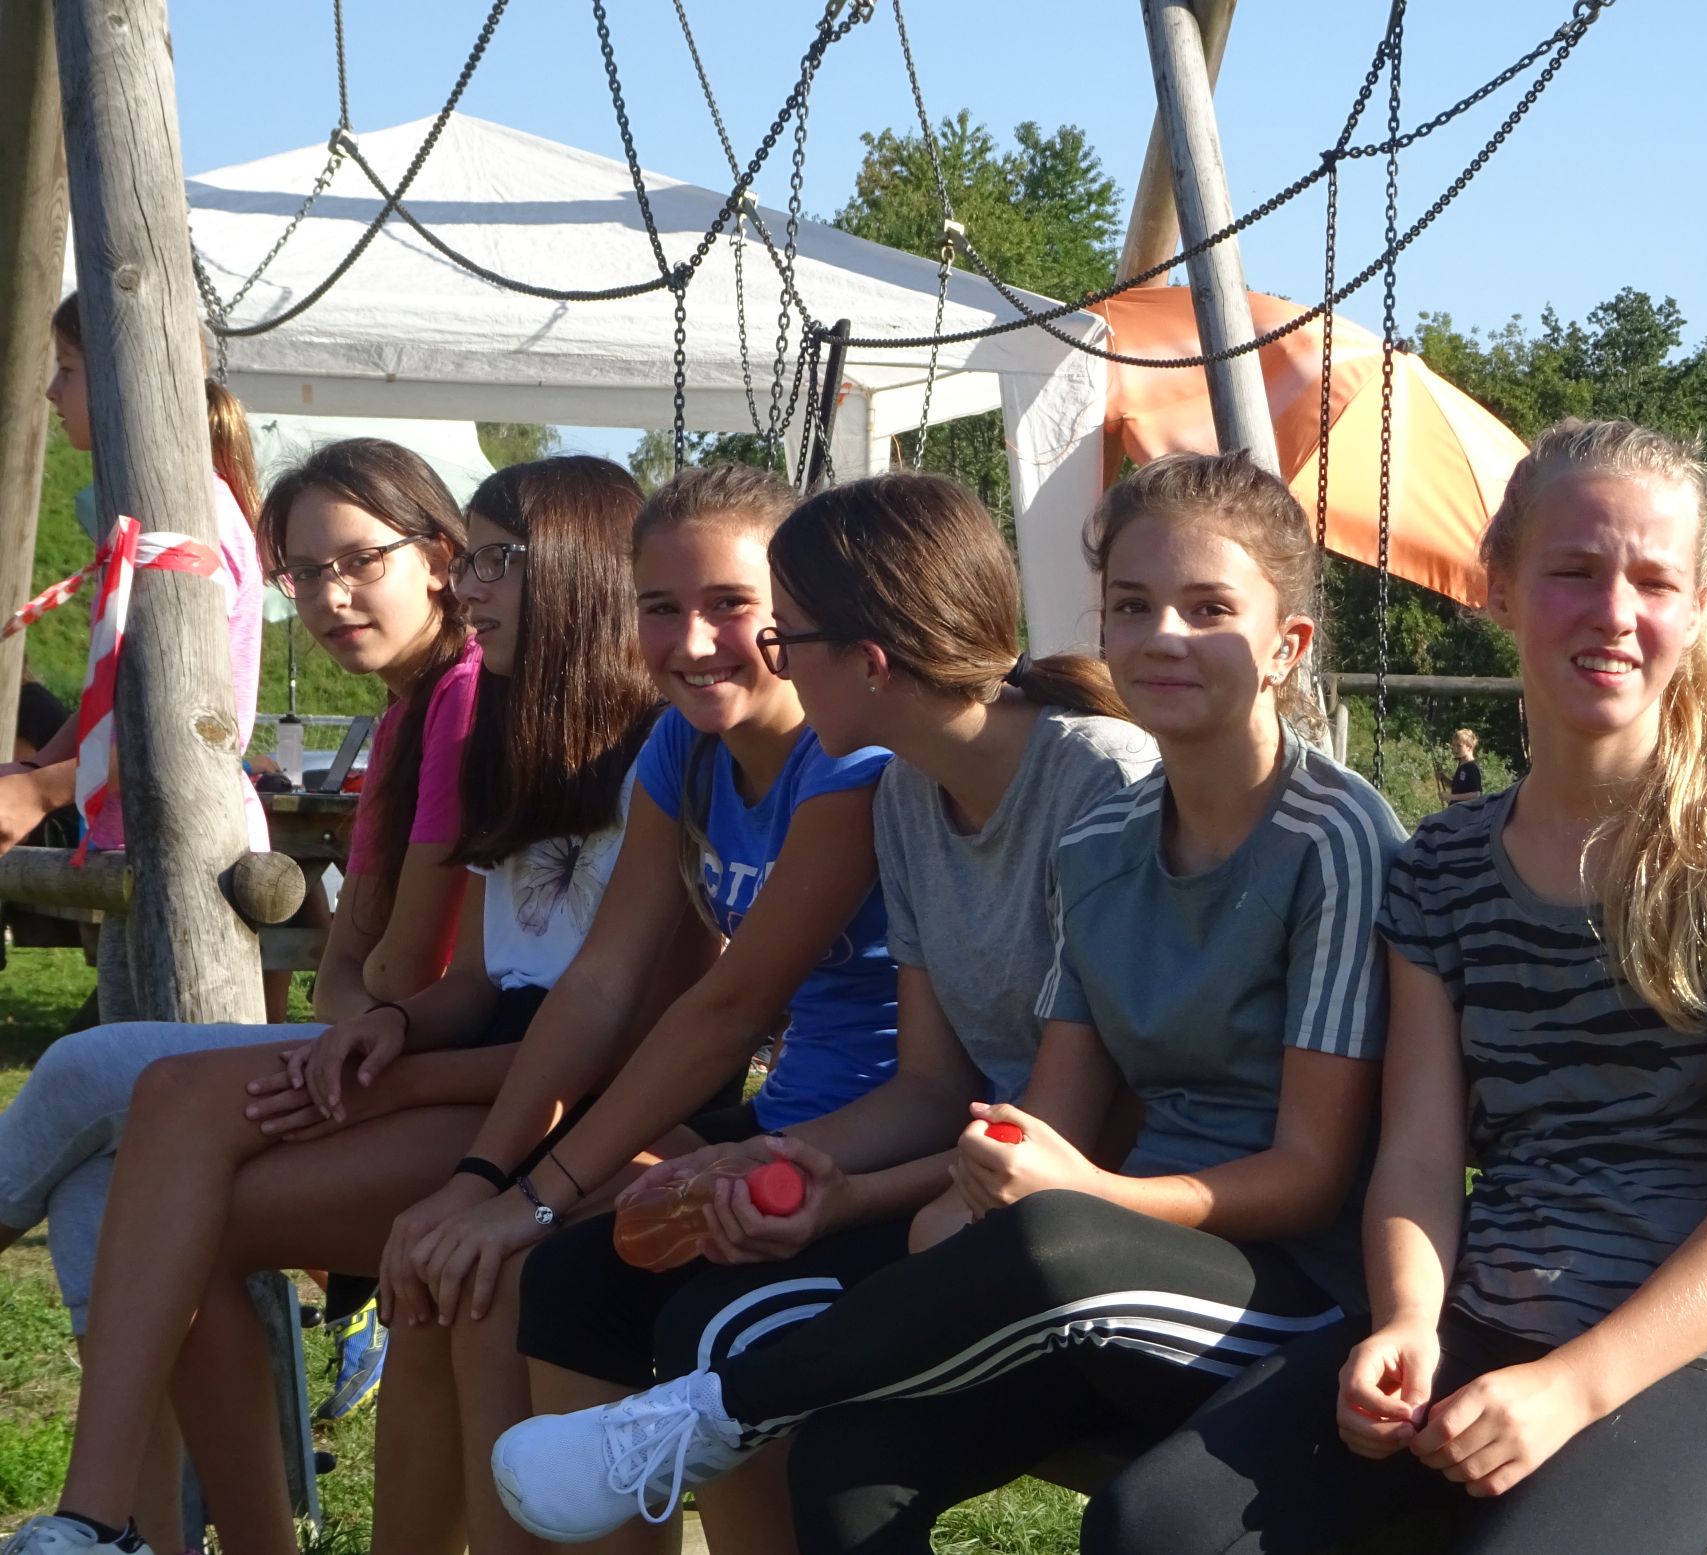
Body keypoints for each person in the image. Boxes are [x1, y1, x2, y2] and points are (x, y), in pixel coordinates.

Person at [490, 450, 1408, 1554]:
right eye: (1130, 605)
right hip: (1100, 1233)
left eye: (1206, 607)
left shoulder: (1325, 835)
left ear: (1285, 645)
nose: (1162, 634)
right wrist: (846, 1187)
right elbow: (1034, 1108)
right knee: (845, 1464)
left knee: (1033, 1253)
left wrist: (1068, 1192)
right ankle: (702, 1418)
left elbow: (1306, 1175)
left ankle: (707, 1419)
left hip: (1293, 1281)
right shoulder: (1102, 835)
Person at [1074, 419, 1707, 1555]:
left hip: (1695, 1352)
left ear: (1695, 611)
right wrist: (1406, 1321)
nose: (1613, 612)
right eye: (1574, 571)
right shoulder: (1442, 869)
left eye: (1653, 582)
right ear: (1497, 586)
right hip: (1479, 1312)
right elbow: (1415, 1153)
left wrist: (1570, 1388)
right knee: (1152, 1525)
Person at [0, 455, 661, 1555]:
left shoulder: (630, 749)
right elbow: (459, 980)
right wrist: (386, 1028)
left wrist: (392, 1043)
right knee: (149, 1165)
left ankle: (106, 1518)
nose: (469, 586)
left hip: (568, 1117)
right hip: (482, 1069)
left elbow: (605, 1029)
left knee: (117, 1107)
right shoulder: (513, 737)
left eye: (490, 561)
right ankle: (105, 1520)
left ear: (580, 572)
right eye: (302, 573)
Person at [506, 471, 1155, 1555]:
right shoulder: (907, 792)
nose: (773, 659)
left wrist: (843, 1193)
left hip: (1084, 1199)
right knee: (577, 1279)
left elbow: (1074, 1128)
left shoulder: (1097, 783)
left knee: (725, 1328)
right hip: (973, 1169)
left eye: (784, 635)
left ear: (871, 661)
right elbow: (932, 1087)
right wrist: (781, 1161)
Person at [373, 462, 906, 1555]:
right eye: (661, 607)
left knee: (562, 1270)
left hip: (880, 1142)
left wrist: (533, 1198)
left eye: (731, 604)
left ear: (797, 611)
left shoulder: (852, 758)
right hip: (783, 1120)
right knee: (495, 1281)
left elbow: (729, 1006)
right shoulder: (683, 746)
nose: (693, 641)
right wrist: (484, 1180)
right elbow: (600, 982)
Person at [0, 295, 270, 1015]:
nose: (51, 391)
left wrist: (42, 791)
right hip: (150, 841)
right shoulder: (153, 524)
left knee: (166, 1055)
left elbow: (176, 728)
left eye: (67, 369)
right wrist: (35, 765)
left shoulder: (186, 525)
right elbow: (117, 690)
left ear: (130, 382)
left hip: (192, 852)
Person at [1444, 727, 1482, 804]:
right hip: (1456, 808)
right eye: (1454, 745)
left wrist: (1451, 797)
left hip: (1466, 810)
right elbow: (1459, 787)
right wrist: (1444, 778)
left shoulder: (1471, 767)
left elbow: (1476, 795)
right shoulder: (1462, 763)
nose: (1455, 749)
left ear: (1469, 747)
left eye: (1459, 746)